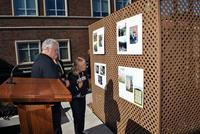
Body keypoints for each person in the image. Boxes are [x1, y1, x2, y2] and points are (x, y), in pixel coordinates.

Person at [31, 38, 63, 134]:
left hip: (44, 104)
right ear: (47, 48)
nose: (57, 52)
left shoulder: (39, 59)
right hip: (49, 106)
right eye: (55, 49)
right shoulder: (47, 62)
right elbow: (55, 84)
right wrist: (65, 83)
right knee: (55, 129)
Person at [68, 57, 89, 134]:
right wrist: (78, 87)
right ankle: (77, 132)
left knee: (82, 116)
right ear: (78, 66)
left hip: (82, 97)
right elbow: (70, 89)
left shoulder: (84, 72)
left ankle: (81, 131)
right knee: (77, 117)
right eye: (83, 65)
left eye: (85, 64)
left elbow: (86, 83)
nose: (85, 66)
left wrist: (85, 89)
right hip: (75, 99)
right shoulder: (71, 75)